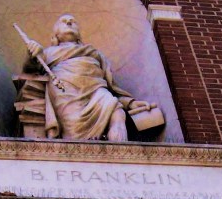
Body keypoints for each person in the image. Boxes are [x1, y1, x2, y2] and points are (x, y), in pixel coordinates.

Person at [21, 14, 155, 141]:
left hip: (97, 92)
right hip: (65, 94)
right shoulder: (47, 53)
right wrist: (32, 54)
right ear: (55, 33)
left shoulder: (94, 54)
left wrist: (130, 103)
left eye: (73, 21)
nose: (69, 23)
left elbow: (112, 88)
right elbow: (31, 70)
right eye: (64, 21)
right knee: (74, 130)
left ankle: (120, 153)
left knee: (117, 112)